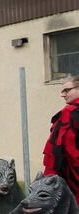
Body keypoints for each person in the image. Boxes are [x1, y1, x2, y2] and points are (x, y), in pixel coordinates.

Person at [43, 75, 79, 205]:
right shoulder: (68, 113)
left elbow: (64, 147)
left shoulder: (70, 113)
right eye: (62, 91)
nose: (63, 95)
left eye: (67, 90)